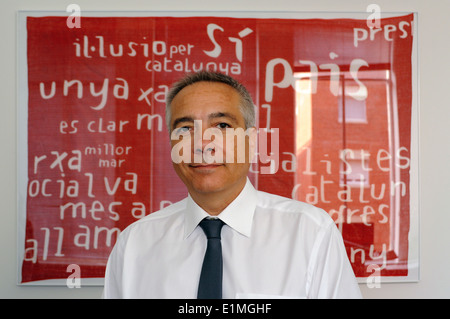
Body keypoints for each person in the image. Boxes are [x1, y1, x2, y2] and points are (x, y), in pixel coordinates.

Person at [103, 70, 362, 299]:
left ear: (251, 141)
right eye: (184, 129)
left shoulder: (310, 233)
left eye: (222, 125)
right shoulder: (134, 246)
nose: (202, 144)